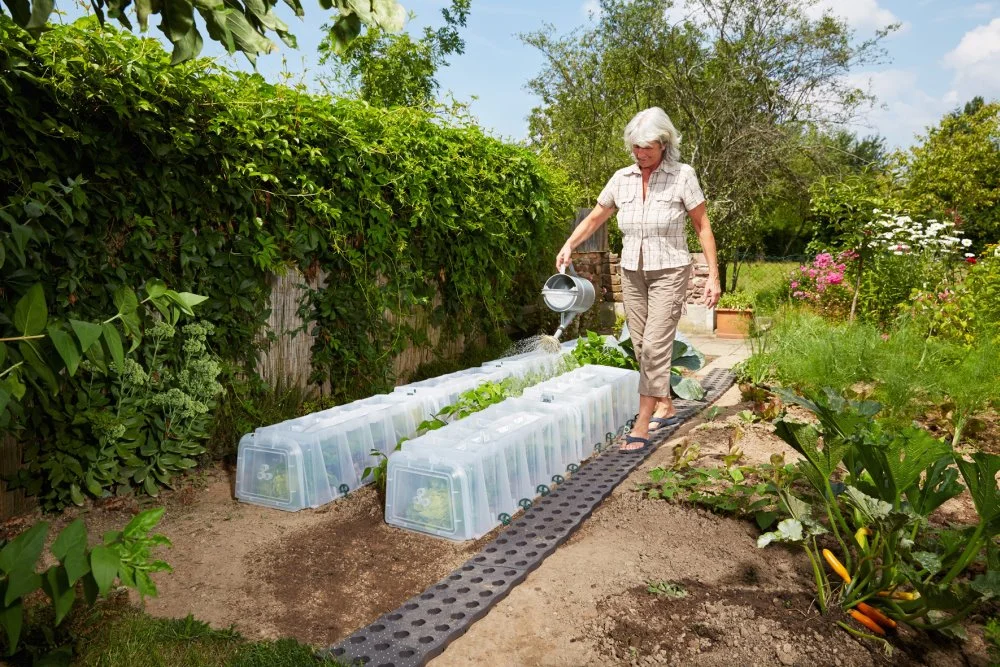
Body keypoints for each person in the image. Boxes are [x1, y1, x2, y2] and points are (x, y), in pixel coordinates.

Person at [556, 107, 721, 451]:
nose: (641, 154)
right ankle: (666, 405)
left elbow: (702, 226)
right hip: (631, 271)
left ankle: (642, 424)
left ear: (664, 144)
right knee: (640, 343)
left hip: (670, 270)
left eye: (647, 147)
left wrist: (713, 277)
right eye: (636, 147)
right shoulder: (622, 178)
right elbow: (597, 217)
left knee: (656, 345)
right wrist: (569, 244)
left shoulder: (682, 175)